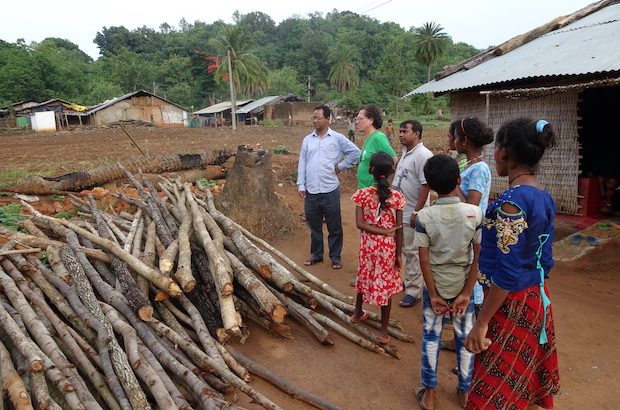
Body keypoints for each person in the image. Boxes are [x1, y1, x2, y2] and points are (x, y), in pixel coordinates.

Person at [465, 118, 560, 409]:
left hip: (509, 306)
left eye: (497, 149)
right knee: (518, 385)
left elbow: (506, 273)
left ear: (505, 153)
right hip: (535, 301)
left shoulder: (511, 204)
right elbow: (544, 260)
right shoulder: (543, 197)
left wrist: (482, 323)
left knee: (492, 394)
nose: (495, 155)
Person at [413, 154, 483, 410]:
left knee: (431, 337)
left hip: (436, 288)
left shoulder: (424, 217)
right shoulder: (475, 213)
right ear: (458, 180)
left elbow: (424, 260)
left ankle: (430, 394)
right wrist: (467, 292)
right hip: (464, 288)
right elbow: (478, 258)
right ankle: (464, 392)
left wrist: (432, 294)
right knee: (465, 339)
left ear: (430, 186)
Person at [441, 118, 494, 353]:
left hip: (470, 233)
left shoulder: (480, 168)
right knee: (461, 287)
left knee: (470, 291)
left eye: (453, 136)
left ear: (464, 140)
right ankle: (459, 340)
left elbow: (472, 207)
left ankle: (470, 347)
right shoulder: (467, 163)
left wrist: (452, 185)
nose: (451, 140)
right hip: (460, 232)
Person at [350, 151, 405, 344]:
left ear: (370, 170)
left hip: (368, 247)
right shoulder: (397, 197)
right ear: (391, 171)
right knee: (386, 286)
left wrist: (376, 232)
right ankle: (383, 330)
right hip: (388, 249)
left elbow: (359, 224)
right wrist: (398, 253)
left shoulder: (362, 195)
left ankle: (357, 313)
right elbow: (399, 229)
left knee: (363, 275)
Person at [297, 105, 361, 270]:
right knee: (314, 225)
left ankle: (335, 257)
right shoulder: (307, 140)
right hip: (311, 191)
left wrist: (341, 166)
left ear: (328, 119)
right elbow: (302, 163)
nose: (315, 120)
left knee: (334, 226)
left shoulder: (337, 138)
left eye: (318, 117)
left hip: (330, 190)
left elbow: (355, 153)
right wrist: (301, 185)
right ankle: (317, 254)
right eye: (313, 117)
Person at [391, 120, 433, 308]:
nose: (400, 134)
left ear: (416, 133)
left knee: (412, 252)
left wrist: (417, 211)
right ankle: (407, 282)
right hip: (399, 212)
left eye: (404, 131)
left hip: (411, 213)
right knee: (400, 249)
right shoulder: (406, 153)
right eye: (399, 131)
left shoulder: (423, 155)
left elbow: (426, 185)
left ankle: (414, 291)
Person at [355, 104, 397, 189]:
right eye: (357, 119)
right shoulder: (368, 138)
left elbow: (394, 160)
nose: (357, 122)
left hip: (372, 191)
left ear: (371, 120)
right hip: (363, 189)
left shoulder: (378, 137)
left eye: (360, 119)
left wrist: (381, 182)